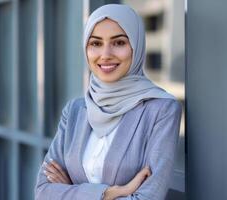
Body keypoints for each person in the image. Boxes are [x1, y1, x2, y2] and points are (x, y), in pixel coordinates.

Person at [34, 4, 182, 200]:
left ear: (136, 47)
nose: (105, 54)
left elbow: (148, 198)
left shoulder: (161, 109)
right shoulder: (75, 110)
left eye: (119, 42)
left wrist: (70, 191)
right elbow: (42, 192)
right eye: (95, 43)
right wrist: (110, 193)